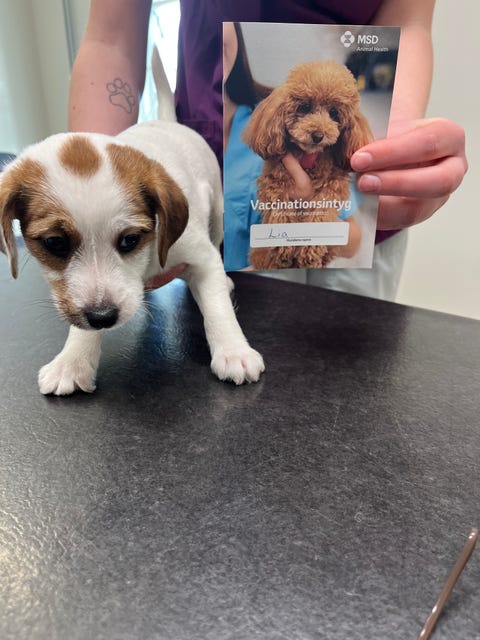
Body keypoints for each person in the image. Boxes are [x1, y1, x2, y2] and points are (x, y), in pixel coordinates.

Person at [69, 0, 467, 299]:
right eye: (305, 109)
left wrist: (396, 142)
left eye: (333, 114)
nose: (319, 127)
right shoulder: (259, 134)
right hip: (205, 205)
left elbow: (410, 21)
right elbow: (111, 39)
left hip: (361, 230)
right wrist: (100, 199)